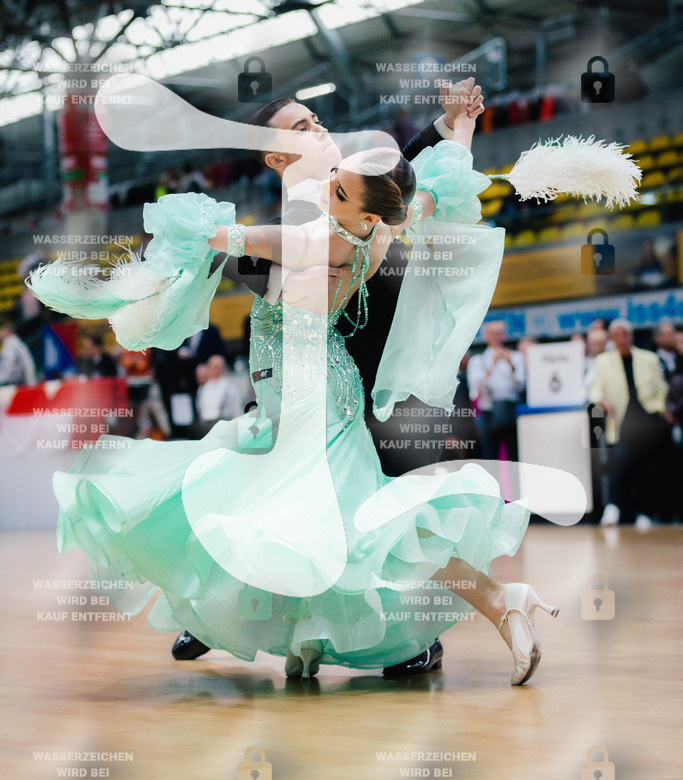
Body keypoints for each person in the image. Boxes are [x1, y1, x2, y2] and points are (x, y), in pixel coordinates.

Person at [27, 82, 561, 688]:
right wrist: (455, 130)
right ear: (276, 156)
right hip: (302, 390)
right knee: (278, 507)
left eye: (314, 120)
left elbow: (392, 188)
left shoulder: (341, 210)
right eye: (299, 129)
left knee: (356, 519)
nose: (319, 130)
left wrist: (218, 239)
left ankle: (465, 613)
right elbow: (409, 191)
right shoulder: (338, 205)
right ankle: (264, 627)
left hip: (351, 391)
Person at [589, 318, 670, 529]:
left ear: (631, 337)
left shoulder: (649, 359)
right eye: (618, 336)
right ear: (613, 339)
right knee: (620, 463)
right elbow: (594, 389)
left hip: (647, 417)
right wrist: (602, 401)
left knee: (647, 467)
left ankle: (643, 511)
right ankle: (615, 506)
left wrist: (659, 409)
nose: (622, 340)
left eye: (626, 335)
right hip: (621, 420)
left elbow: (662, 389)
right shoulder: (603, 361)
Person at [467, 321, 525, 460]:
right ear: (486, 336)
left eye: (499, 333)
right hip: (488, 413)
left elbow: (521, 386)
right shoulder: (477, 361)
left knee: (515, 458)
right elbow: (475, 388)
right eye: (493, 333)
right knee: (490, 458)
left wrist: (510, 364)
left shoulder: (516, 357)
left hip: (511, 412)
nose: (496, 337)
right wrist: (491, 366)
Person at [195, 355, 243, 424]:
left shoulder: (230, 389)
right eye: (212, 367)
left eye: (218, 367)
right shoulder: (202, 389)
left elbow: (237, 411)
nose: (215, 370)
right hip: (206, 426)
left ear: (223, 369)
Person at [0, 320, 37, 386]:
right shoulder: (16, 343)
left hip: (12, 384)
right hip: (18, 382)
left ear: (6, 331)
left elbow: (9, 366)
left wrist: (2, 380)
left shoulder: (11, 344)